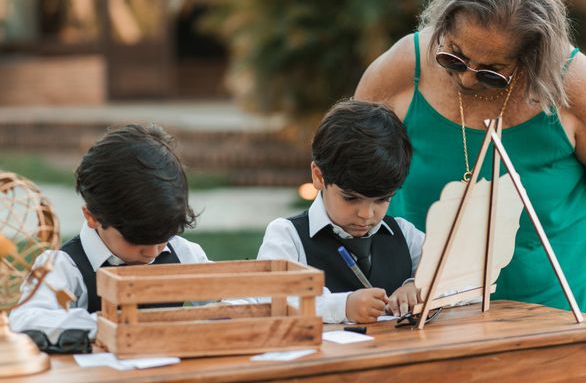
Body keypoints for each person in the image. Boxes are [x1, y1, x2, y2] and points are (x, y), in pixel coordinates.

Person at [355, 0, 586, 316]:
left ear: (533, 57)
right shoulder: (403, 66)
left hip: (551, 304)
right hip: (422, 302)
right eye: (454, 58)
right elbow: (357, 161)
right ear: (442, 26)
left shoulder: (575, 86)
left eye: (493, 72)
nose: (468, 79)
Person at [10, 124, 209, 344]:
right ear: (92, 217)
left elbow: (237, 300)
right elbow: (26, 319)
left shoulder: (184, 254)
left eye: (164, 236)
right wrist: (110, 325)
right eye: (136, 239)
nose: (152, 252)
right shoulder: (64, 266)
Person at [257, 100, 425, 323]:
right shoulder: (287, 235)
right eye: (350, 198)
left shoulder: (405, 234)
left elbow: (463, 279)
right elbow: (270, 298)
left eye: (382, 199)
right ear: (318, 176)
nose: (366, 214)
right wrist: (341, 306)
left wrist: (419, 287)